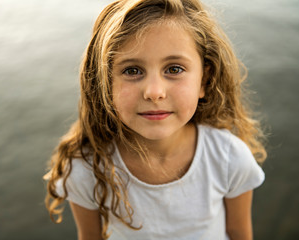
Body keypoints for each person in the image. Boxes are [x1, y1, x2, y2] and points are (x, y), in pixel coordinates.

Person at [44, 0, 267, 239]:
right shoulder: (86, 169)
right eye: (132, 70)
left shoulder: (228, 159)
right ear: (105, 84)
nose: (154, 91)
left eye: (174, 69)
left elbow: (238, 233)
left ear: (204, 80)